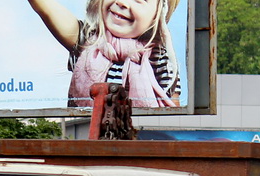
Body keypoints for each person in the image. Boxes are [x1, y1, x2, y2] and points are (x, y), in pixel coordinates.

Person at [28, 0, 180, 108]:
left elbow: (172, 108)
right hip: (90, 142)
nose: (122, 2)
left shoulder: (159, 55)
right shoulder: (87, 40)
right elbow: (45, 8)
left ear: (158, 14)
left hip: (139, 142)